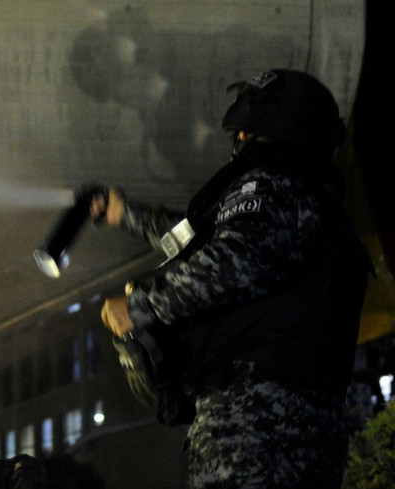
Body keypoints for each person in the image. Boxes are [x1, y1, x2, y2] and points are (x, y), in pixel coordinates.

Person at [92, 69, 372, 488]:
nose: (239, 140)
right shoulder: (310, 202)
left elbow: (229, 262)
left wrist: (139, 306)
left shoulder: (270, 186)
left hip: (252, 428)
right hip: (304, 432)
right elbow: (203, 240)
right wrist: (128, 215)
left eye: (247, 132)